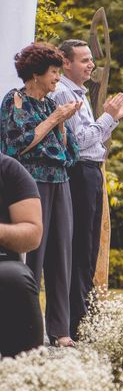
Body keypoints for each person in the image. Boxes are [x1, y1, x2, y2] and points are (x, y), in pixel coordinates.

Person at [51, 39, 123, 340]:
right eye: (84, 60)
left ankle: (84, 317)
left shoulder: (79, 92)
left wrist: (113, 119)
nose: (91, 65)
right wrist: (108, 117)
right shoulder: (62, 92)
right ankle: (76, 322)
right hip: (78, 173)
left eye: (90, 60)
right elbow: (81, 140)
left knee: (89, 247)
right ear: (65, 62)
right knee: (80, 246)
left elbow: (94, 139)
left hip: (91, 172)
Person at [0, 43, 81, 348]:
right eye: (54, 72)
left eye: (59, 72)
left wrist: (60, 121)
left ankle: (60, 331)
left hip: (60, 181)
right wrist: (54, 120)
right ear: (35, 73)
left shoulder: (50, 106)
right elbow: (16, 145)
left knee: (61, 255)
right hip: (30, 186)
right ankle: (24, 326)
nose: (58, 78)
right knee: (33, 255)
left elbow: (69, 152)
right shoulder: (15, 101)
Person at [0, 152, 43, 357]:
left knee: (14, 277)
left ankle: (22, 374)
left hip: (2, 264)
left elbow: (33, 233)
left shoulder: (9, 170)